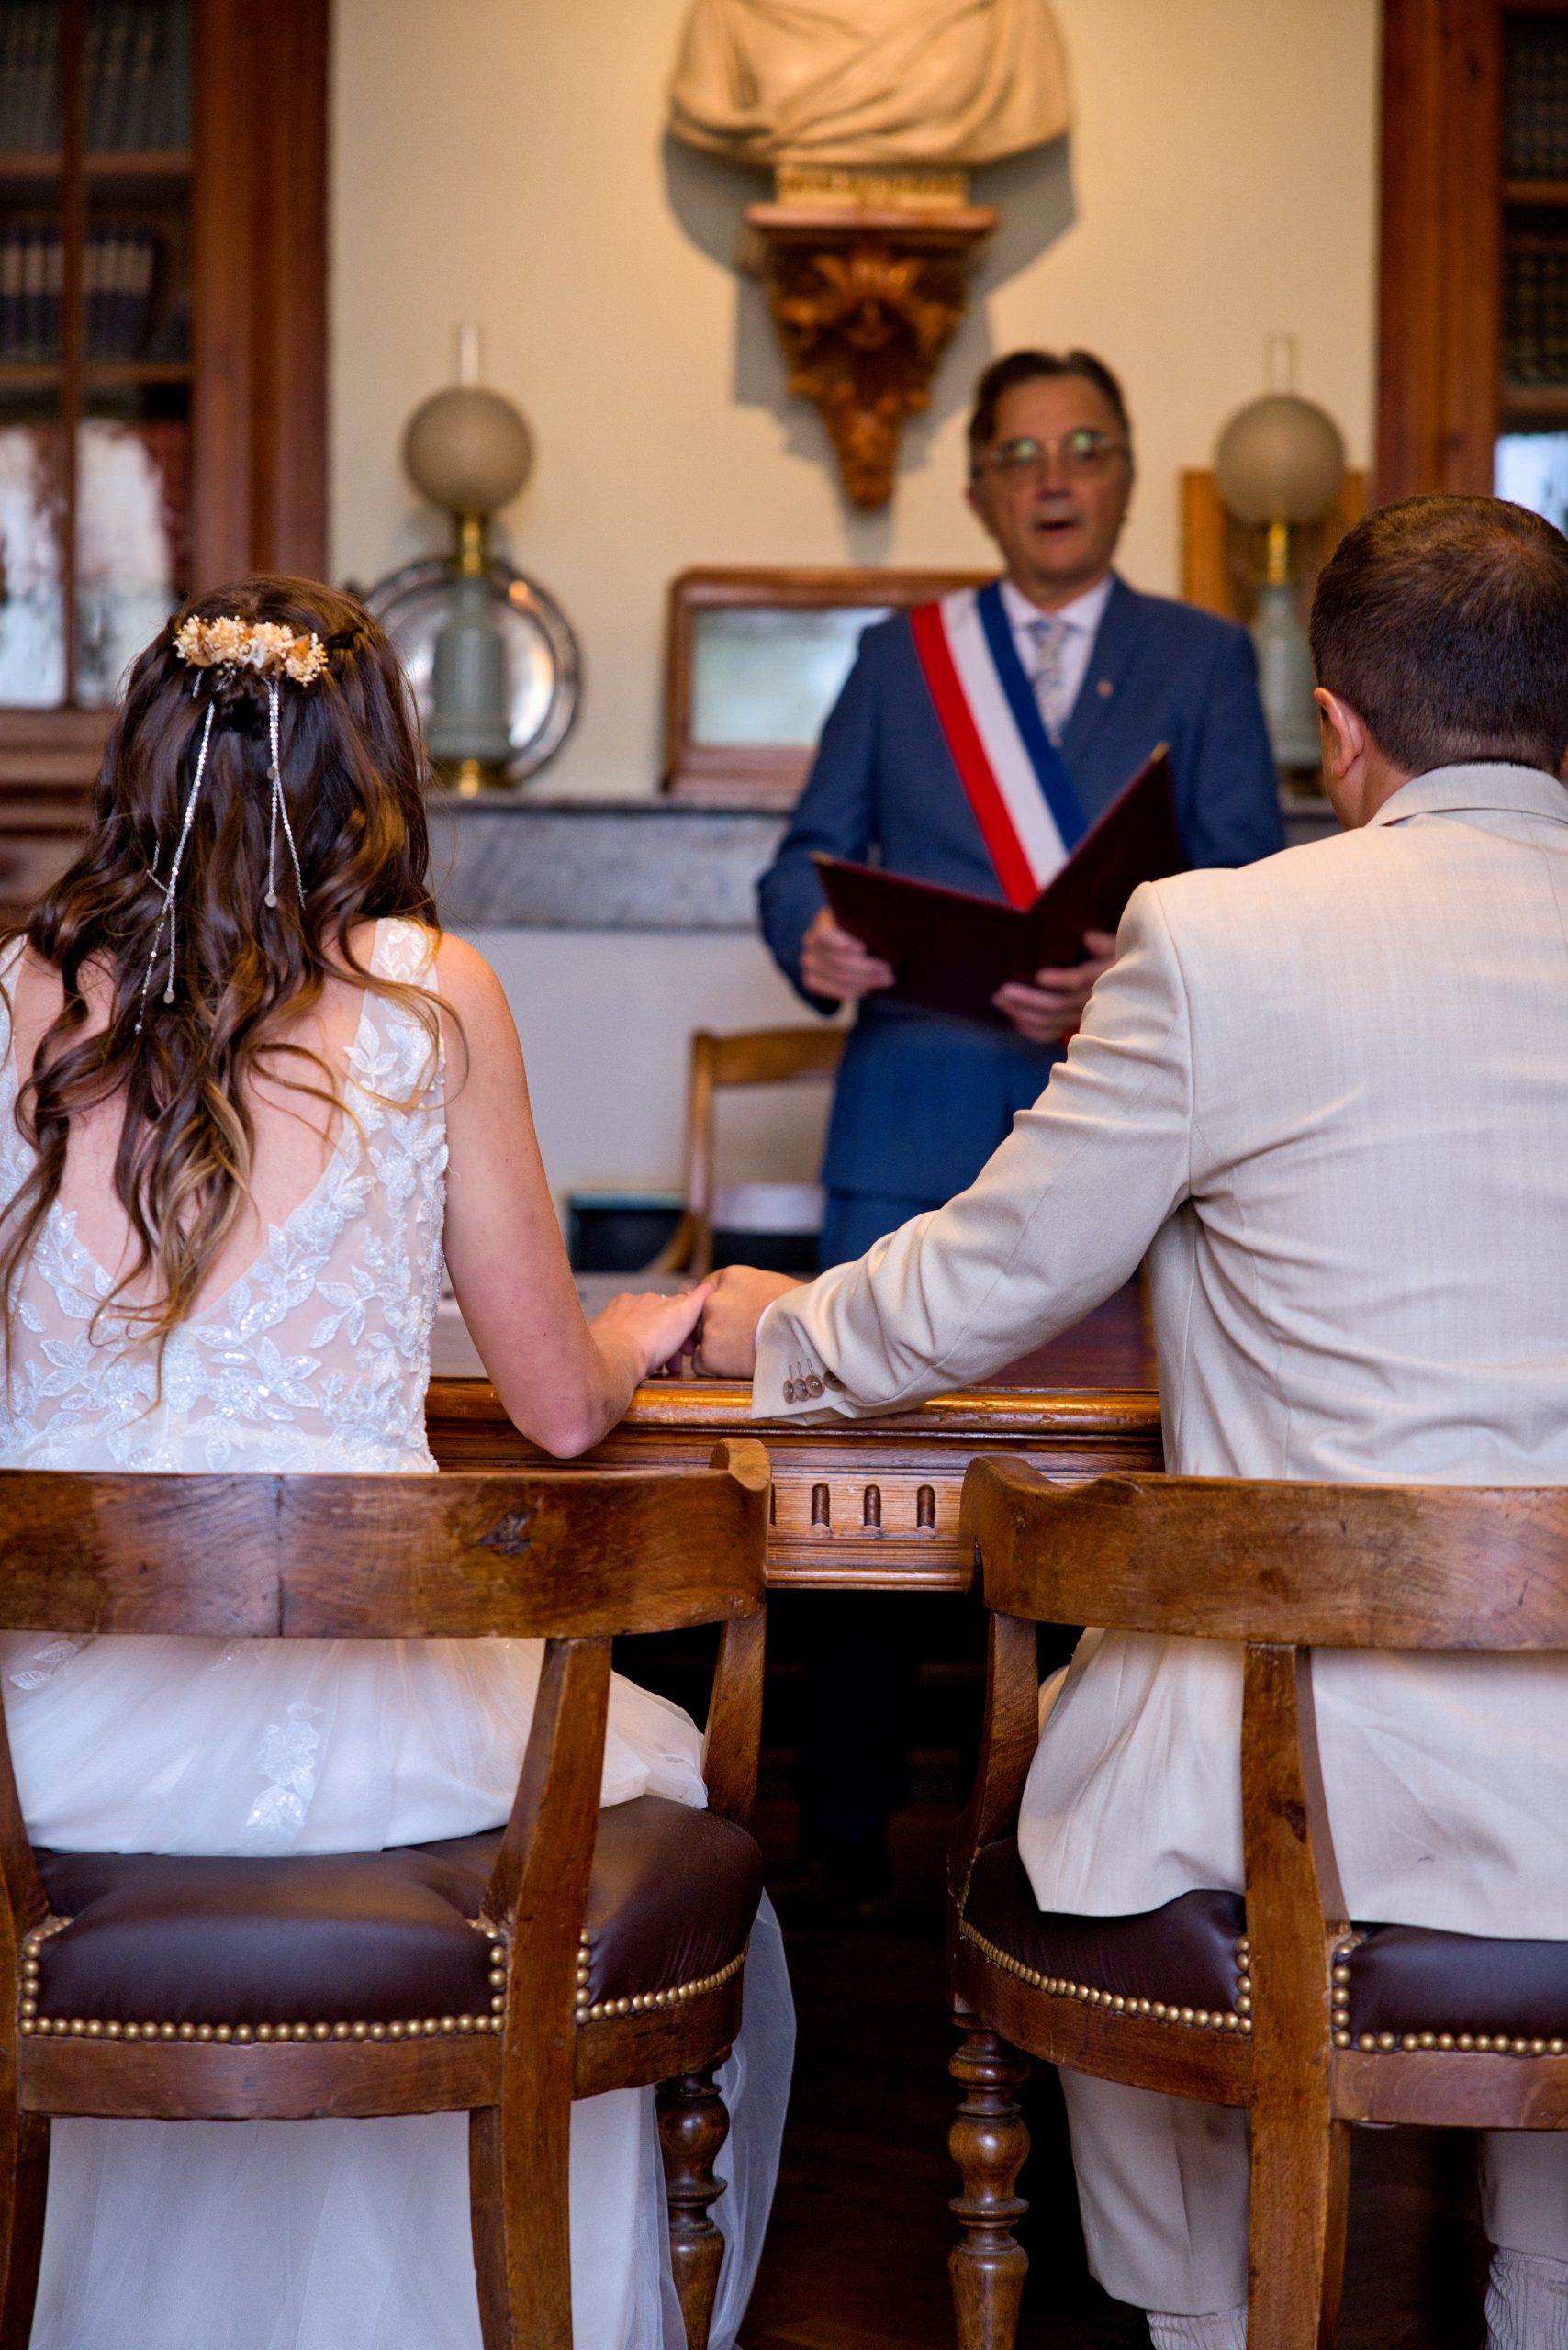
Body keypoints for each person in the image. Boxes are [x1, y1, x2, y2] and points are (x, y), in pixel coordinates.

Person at [700, 493, 1568, 2350]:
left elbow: (985, 1281)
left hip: (1288, 1789)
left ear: (1335, 729)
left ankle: (1199, 2318)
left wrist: (763, 1328)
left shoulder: (1212, 941)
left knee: (1087, 1790)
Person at [0, 579, 792, 2350]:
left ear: (142, 759)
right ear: (375, 774)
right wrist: (645, 1326)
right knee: (644, 1785)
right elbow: (560, 1406)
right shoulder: (431, 999)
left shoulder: (18, 997)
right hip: (359, 1737)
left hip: (46, 1763)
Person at [758, 345, 1284, 1270]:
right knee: (866, 1411)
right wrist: (814, 933)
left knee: (1114, 1415)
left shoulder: (1205, 658)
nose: (1053, 480)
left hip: (1125, 1119)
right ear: (975, 496)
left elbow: (1246, 895)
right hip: (910, 1124)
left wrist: (1131, 981)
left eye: (1085, 450)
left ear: (1126, 481)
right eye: (1019, 456)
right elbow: (801, 863)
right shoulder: (899, 658)